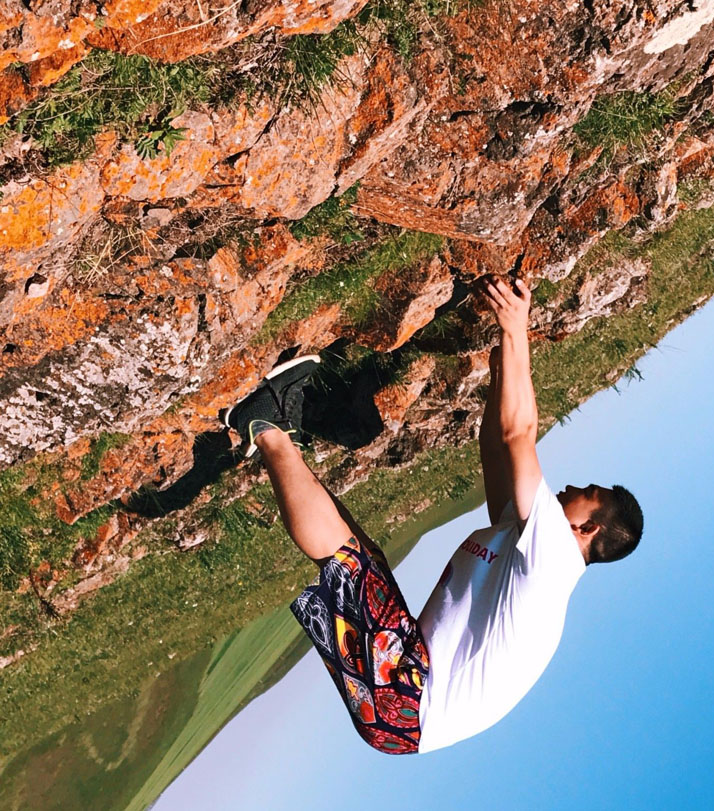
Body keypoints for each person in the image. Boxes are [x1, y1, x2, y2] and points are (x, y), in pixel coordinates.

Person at [222, 275, 644, 754]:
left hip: (408, 705)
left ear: (586, 528)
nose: (568, 487)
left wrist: (516, 328)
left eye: (585, 492)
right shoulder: (526, 543)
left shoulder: (553, 560)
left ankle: (265, 423)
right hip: (406, 709)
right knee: (361, 558)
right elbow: (494, 446)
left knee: (350, 561)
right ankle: (281, 436)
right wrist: (503, 365)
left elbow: (519, 435)